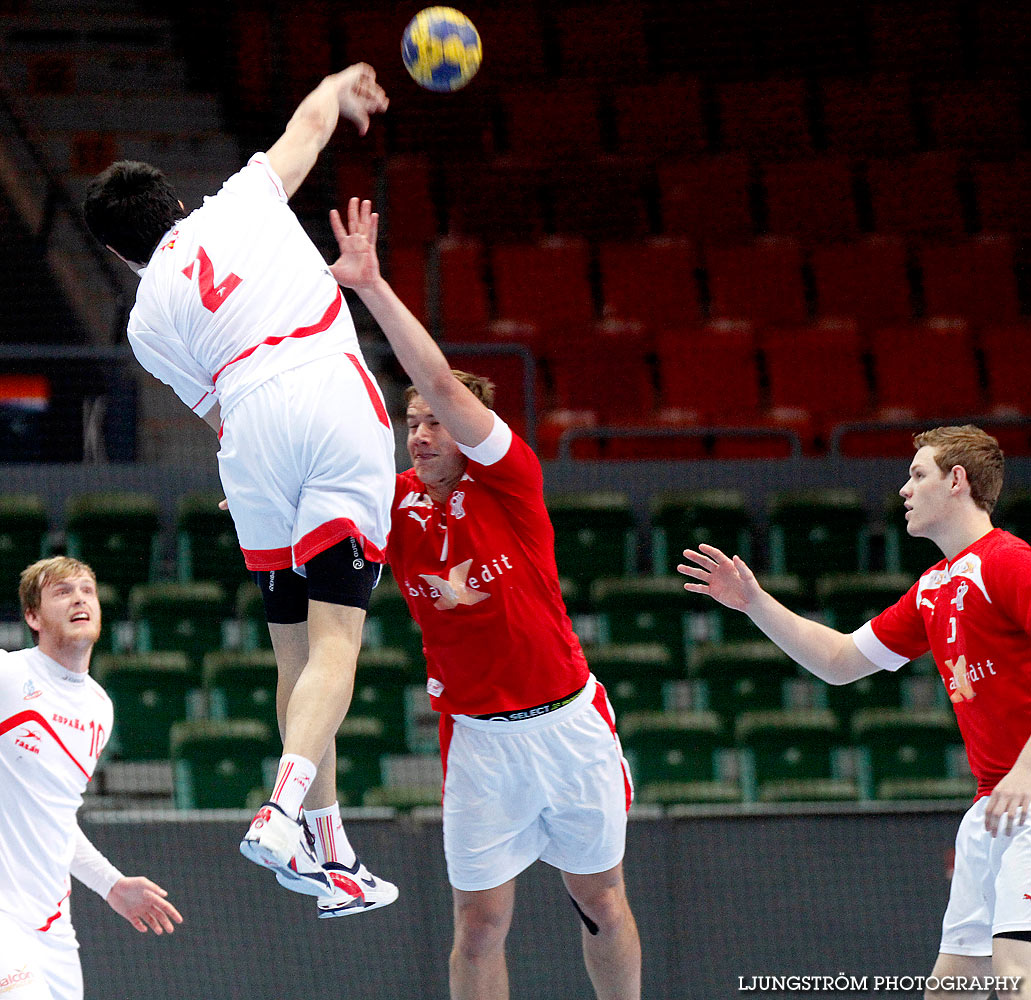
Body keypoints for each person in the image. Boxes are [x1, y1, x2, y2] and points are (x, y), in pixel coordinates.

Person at [81, 64, 398, 914]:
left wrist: (255, 469)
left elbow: (218, 413)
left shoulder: (145, 322)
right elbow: (305, 127)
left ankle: (332, 854)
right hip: (325, 388)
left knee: (294, 654)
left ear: (118, 252)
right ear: (174, 203)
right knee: (340, 640)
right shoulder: (240, 200)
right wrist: (338, 86)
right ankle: (282, 807)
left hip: (250, 433)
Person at [326, 197, 641, 998]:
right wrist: (258, 501)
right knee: (478, 927)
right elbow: (314, 493)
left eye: (437, 421)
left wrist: (369, 286)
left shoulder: (510, 480)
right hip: (477, 743)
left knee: (599, 898)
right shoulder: (390, 499)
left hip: (568, 725)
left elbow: (432, 372)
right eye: (412, 423)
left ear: (472, 433)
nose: (423, 433)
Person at [678, 425, 1031, 1000]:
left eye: (918, 475)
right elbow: (841, 661)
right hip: (992, 808)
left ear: (958, 480)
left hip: (1029, 795)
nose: (903, 490)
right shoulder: (933, 588)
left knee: (1017, 978)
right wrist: (754, 603)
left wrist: (1025, 771)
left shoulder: (1010, 562)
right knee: (952, 987)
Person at [0, 556, 182, 1000]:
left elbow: (56, 818)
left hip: (53, 924)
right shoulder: (9, 675)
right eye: (62, 591)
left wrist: (111, 885)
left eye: (86, 590)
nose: (79, 597)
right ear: (32, 616)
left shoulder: (101, 707)